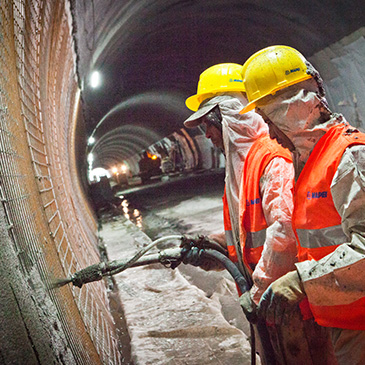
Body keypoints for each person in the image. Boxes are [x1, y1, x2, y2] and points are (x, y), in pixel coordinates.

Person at [240, 45, 365, 365]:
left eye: (269, 119)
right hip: (344, 322)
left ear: (292, 112)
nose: (267, 132)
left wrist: (301, 281)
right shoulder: (312, 165)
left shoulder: (349, 156)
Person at [183, 63, 300, 363]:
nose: (207, 133)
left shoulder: (271, 160)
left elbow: (284, 231)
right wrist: (213, 249)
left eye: (209, 123)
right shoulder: (239, 169)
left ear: (230, 116)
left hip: (291, 310)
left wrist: (257, 292)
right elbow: (249, 237)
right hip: (267, 309)